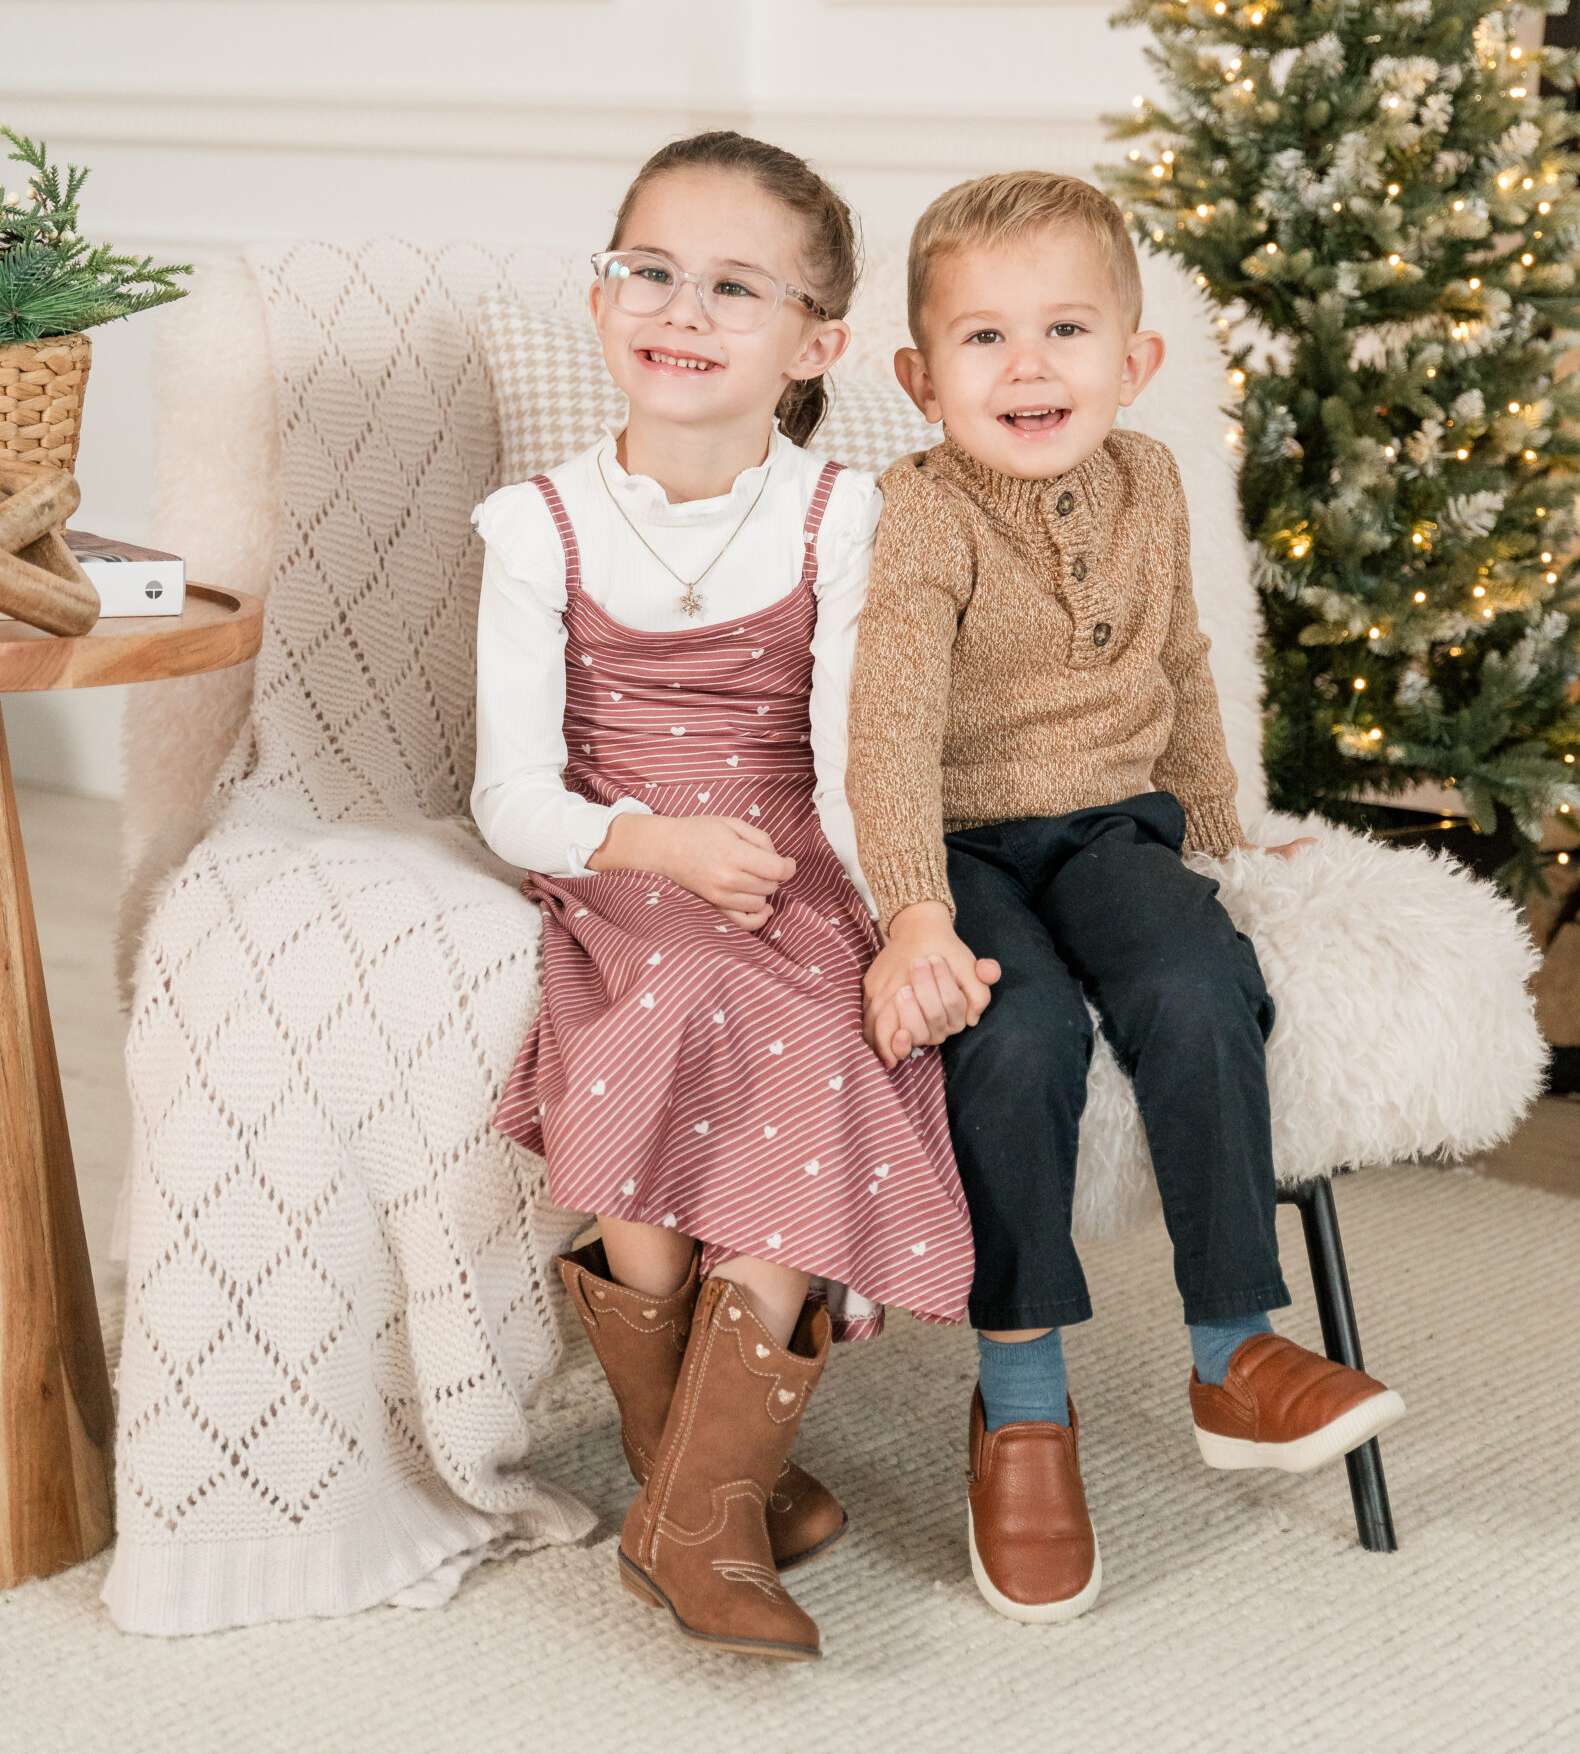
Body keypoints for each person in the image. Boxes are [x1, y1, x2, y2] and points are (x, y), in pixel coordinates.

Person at [844, 171, 1404, 1625]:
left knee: (1199, 979)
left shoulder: (1151, 480)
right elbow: (887, 731)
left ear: (1133, 362)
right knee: (1017, 1037)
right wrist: (912, 910)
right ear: (918, 379)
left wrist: (1220, 832)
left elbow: (1180, 671)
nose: (1029, 367)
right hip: (962, 841)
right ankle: (1022, 1404)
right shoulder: (920, 519)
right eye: (983, 340)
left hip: (1113, 828)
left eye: (1066, 330)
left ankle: (1236, 1350)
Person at [471, 131, 975, 1664]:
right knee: (672, 1001)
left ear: (815, 344)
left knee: (816, 1028)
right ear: (601, 289)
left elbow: (845, 758)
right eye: (652, 270)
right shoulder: (536, 526)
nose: (681, 310)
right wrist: (651, 849)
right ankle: (702, 1487)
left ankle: (696, 1509)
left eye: (736, 288)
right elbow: (512, 800)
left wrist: (902, 913)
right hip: (624, 868)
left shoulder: (838, 515)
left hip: (787, 854)